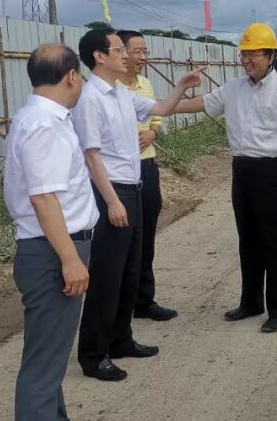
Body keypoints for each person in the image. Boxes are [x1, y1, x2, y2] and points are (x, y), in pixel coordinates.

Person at [71, 27, 203, 382]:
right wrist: (113, 202)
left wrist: (181, 85)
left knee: (129, 271)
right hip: (110, 192)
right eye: (118, 49)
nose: (126, 55)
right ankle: (93, 354)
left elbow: (159, 108)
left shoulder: (121, 93)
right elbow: (91, 156)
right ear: (99, 56)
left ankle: (120, 339)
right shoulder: (90, 98)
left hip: (132, 188)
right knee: (107, 275)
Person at [173, 23, 277, 334]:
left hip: (275, 171)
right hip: (242, 171)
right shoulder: (233, 89)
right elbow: (204, 103)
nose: (247, 59)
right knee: (249, 239)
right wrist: (165, 107)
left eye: (254, 54)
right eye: (244, 54)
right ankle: (251, 302)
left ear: (271, 56)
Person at [4, 44, 98, 420]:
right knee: (43, 370)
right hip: (52, 253)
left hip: (51, 249)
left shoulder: (39, 118)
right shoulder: (45, 124)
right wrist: (70, 259)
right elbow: (44, 198)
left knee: (50, 359)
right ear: (71, 76)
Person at [116, 30, 178, 322]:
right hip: (120, 173)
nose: (143, 57)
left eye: (145, 51)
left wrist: (153, 132)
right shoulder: (110, 89)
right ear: (121, 53)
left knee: (147, 235)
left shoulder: (146, 85)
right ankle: (121, 302)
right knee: (124, 239)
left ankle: (144, 300)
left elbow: (157, 117)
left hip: (147, 166)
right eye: (137, 51)